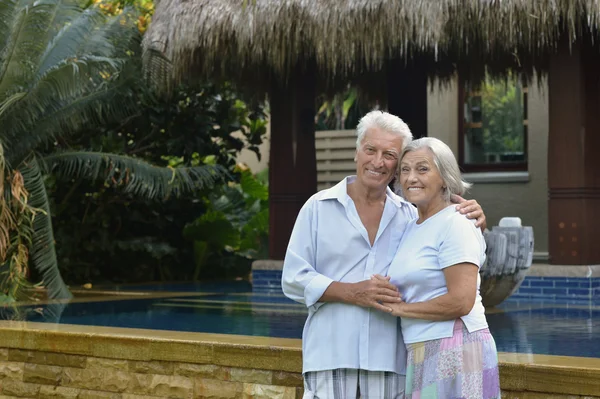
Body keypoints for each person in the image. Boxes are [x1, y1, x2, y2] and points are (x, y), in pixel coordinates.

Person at [281, 111, 486, 399]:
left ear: (397, 165)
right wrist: (352, 292)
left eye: (389, 155)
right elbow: (292, 279)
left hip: (392, 360)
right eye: (370, 150)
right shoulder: (318, 207)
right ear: (356, 152)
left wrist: (473, 215)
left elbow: (451, 246)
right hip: (330, 354)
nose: (378, 162)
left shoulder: (411, 216)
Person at [379, 137, 500, 398]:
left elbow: (461, 301)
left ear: (445, 177)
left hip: (456, 347)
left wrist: (400, 309)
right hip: (422, 346)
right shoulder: (412, 224)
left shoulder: (456, 222)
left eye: (423, 169)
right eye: (405, 170)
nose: (412, 178)